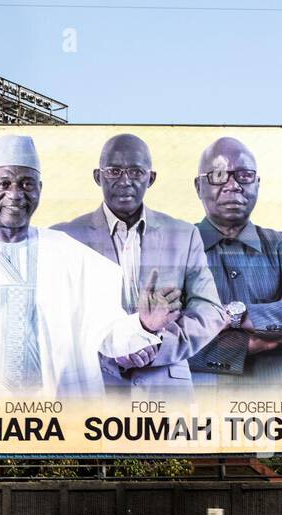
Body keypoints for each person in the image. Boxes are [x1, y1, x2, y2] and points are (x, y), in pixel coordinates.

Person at [0, 134, 178, 399]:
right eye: (4, 184)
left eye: (26, 184)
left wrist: (144, 326)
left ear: (39, 188)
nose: (15, 194)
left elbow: (107, 332)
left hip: (50, 412)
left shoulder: (71, 255)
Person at [51, 133, 226, 397]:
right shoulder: (64, 239)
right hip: (93, 392)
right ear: (98, 176)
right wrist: (116, 349)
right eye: (114, 171)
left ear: (150, 178)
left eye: (135, 171)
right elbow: (55, 321)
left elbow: (210, 311)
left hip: (167, 394)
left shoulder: (184, 235)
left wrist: (156, 345)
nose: (125, 181)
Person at [189, 136, 282, 392]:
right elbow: (155, 345)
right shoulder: (172, 250)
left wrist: (238, 316)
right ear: (199, 185)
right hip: (203, 417)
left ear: (257, 184)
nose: (233, 185)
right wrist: (243, 346)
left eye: (244, 175)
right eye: (218, 175)